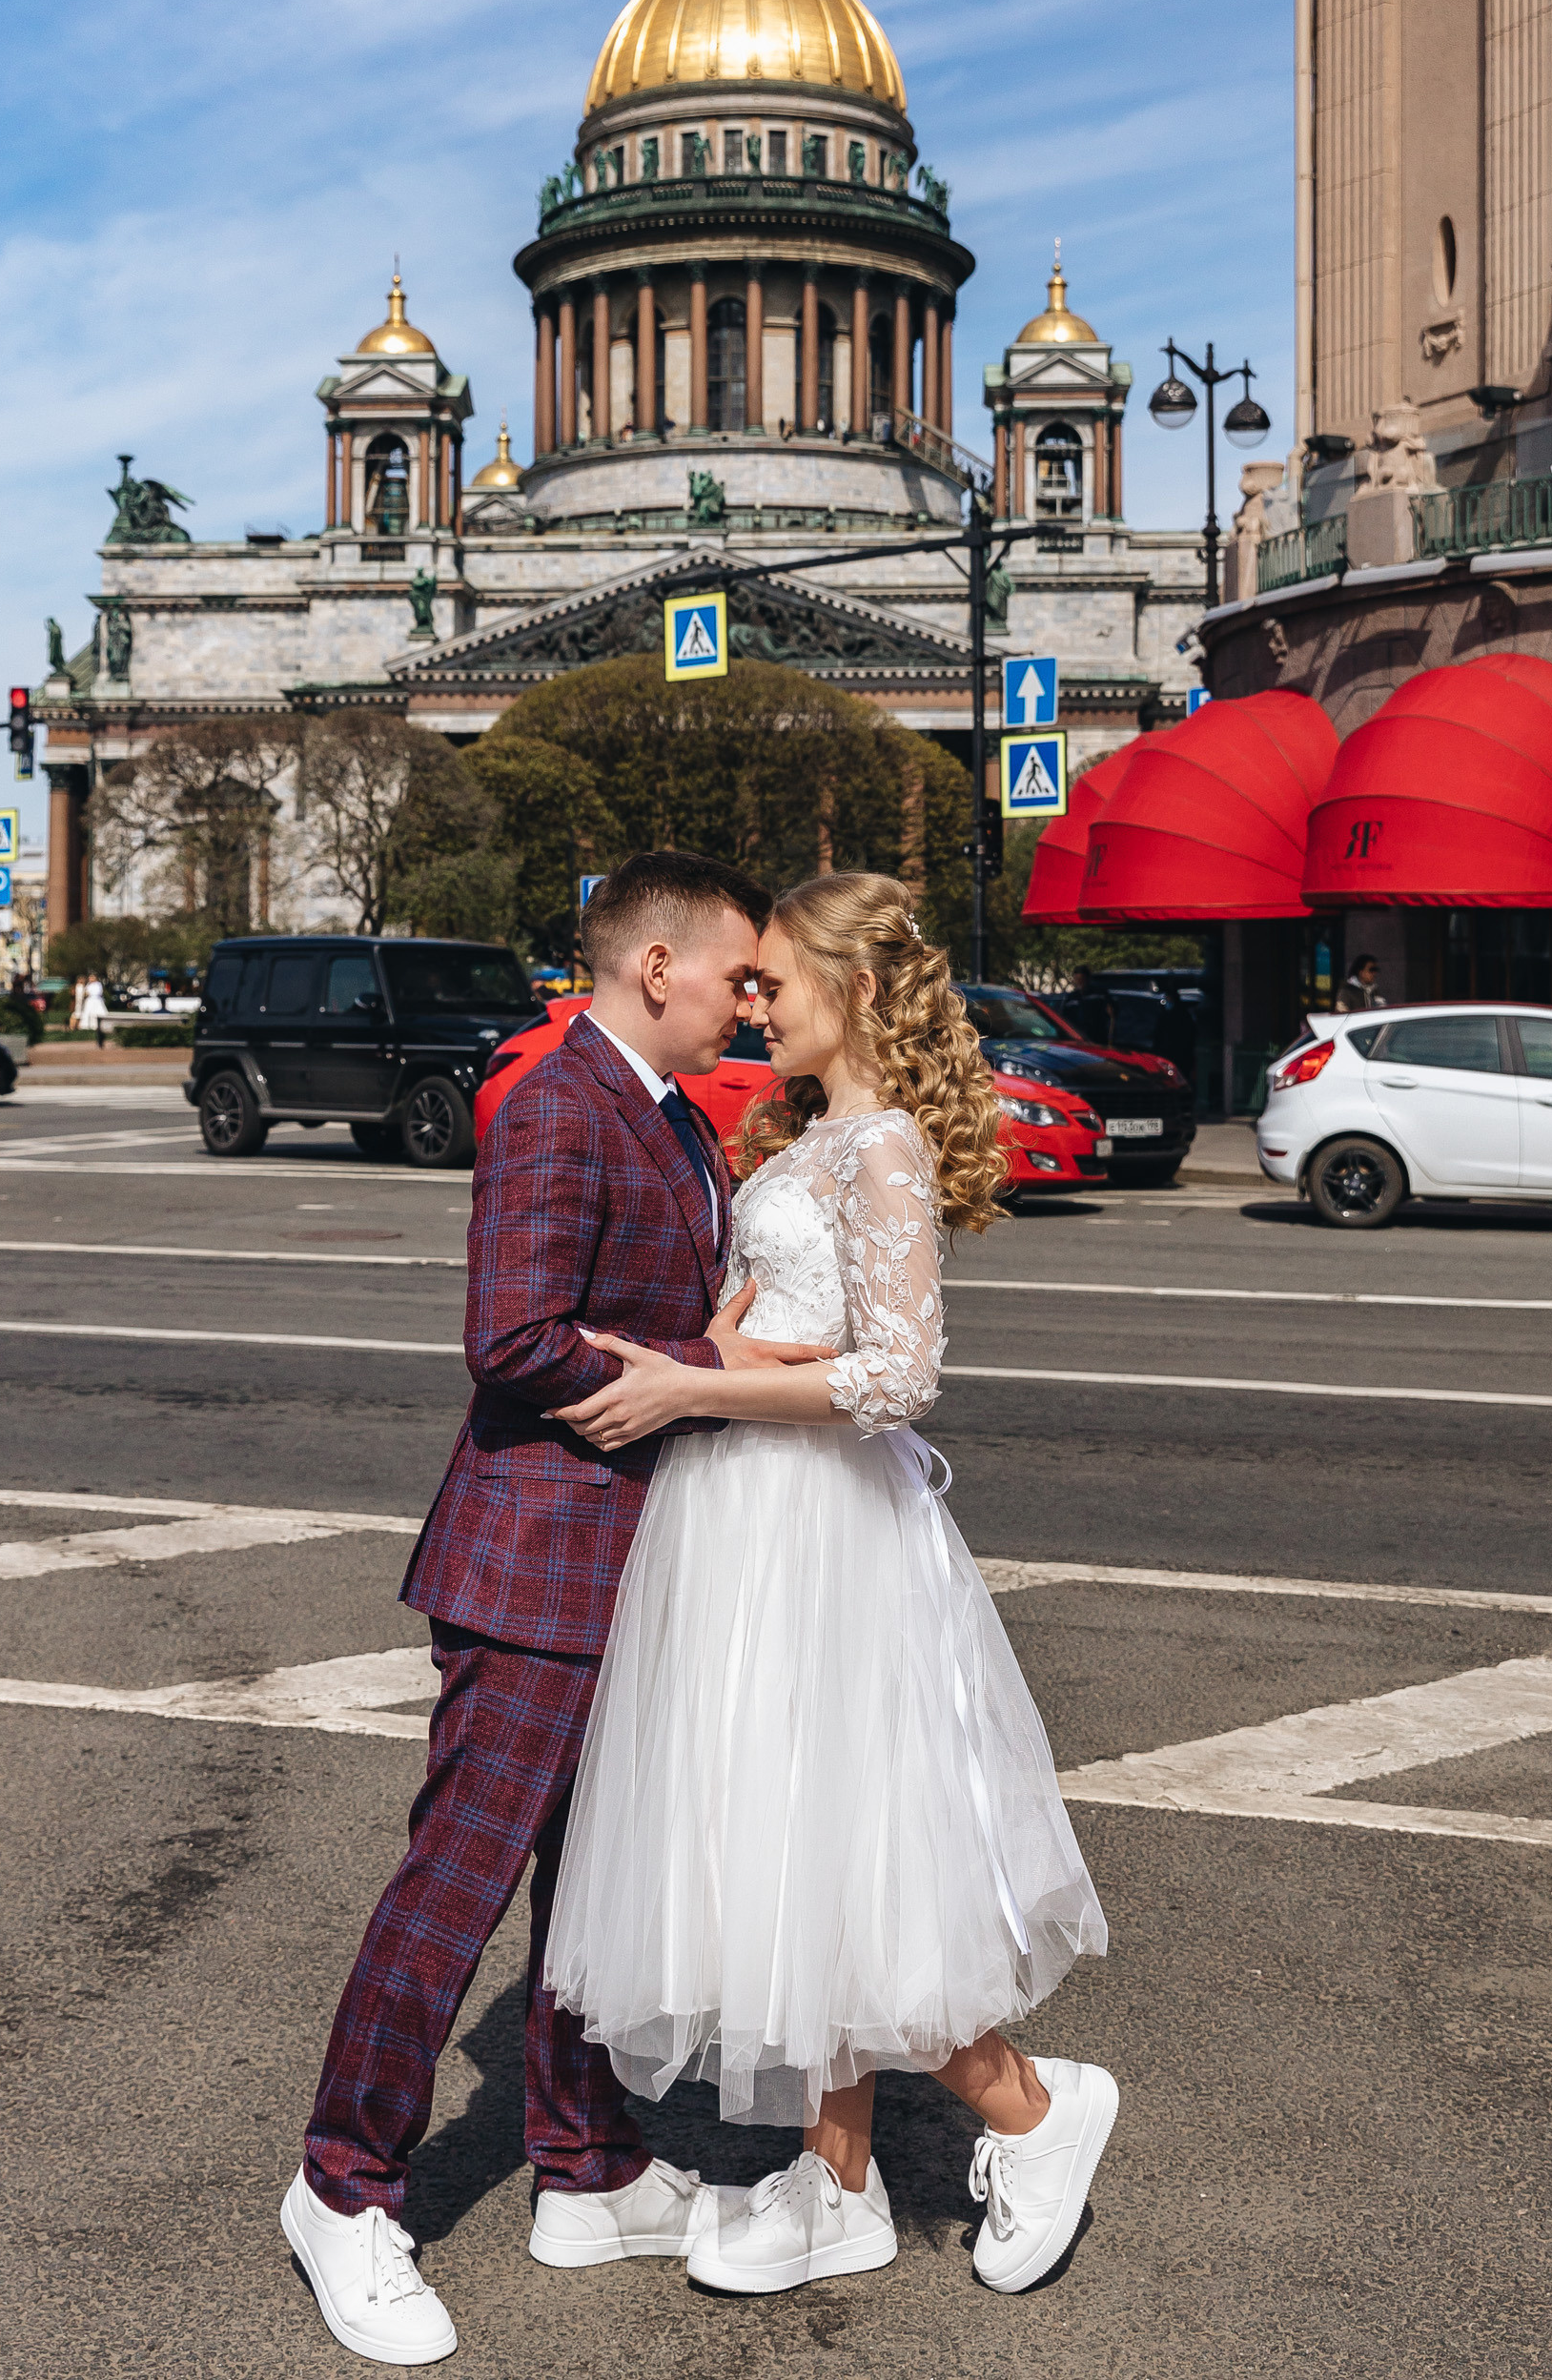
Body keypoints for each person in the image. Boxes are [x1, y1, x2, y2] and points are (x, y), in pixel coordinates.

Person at [282, 850, 832, 2366]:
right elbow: (511, 1335)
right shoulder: (555, 1104)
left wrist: (711, 1356)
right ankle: (343, 2185)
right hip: (535, 1566)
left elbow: (656, 1309)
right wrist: (687, 1376)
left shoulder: (665, 1110)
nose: (749, 999)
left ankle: (586, 2168)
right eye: (735, 972)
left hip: (631, 1562)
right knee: (454, 1888)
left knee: (591, 1891)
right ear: (658, 966)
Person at [545, 871, 1113, 2302]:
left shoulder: (884, 1147)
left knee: (843, 1845)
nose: (753, 1003)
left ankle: (1032, 2113)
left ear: (853, 989)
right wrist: (718, 1349)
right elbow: (795, 1329)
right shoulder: (807, 1135)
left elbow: (903, 1374)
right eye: (744, 983)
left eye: (775, 981)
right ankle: (837, 2180)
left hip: (820, 1524)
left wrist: (697, 1382)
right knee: (790, 1843)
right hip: (747, 1511)